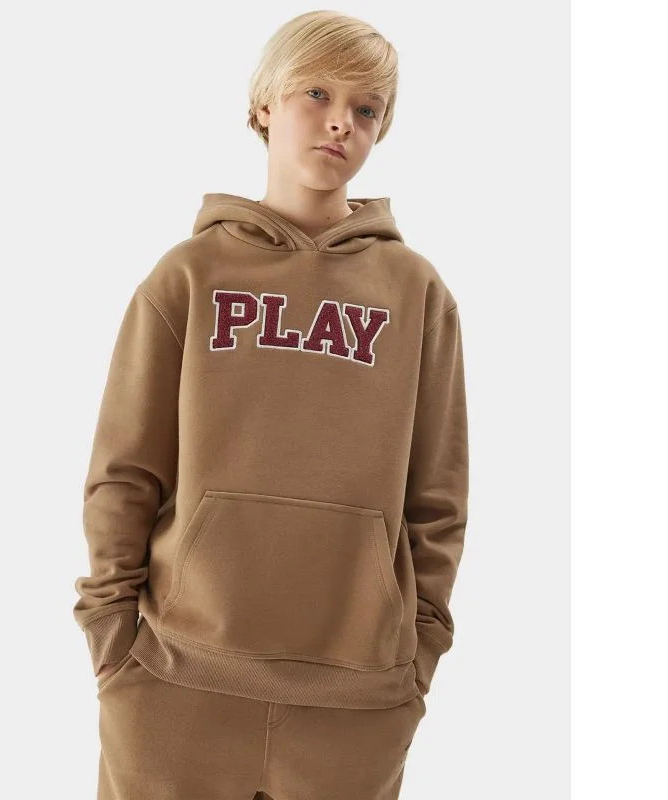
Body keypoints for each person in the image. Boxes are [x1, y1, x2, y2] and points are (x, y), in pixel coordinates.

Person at [73, 10, 469, 799]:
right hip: (174, 683)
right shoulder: (188, 276)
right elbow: (125, 470)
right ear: (263, 104)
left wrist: (419, 653)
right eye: (316, 93)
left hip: (357, 701)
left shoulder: (415, 293)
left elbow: (438, 497)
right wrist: (112, 639)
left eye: (366, 108)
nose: (340, 121)